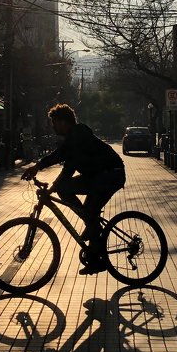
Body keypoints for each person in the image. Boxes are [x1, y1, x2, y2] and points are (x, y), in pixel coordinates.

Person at [21, 103, 126, 275]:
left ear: (63, 122)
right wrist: (38, 168)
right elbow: (60, 156)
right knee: (83, 208)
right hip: (98, 176)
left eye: (54, 123)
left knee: (83, 206)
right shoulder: (73, 137)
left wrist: (50, 183)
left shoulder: (79, 135)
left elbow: (68, 165)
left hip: (110, 175)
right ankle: (92, 231)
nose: (53, 127)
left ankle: (96, 255)